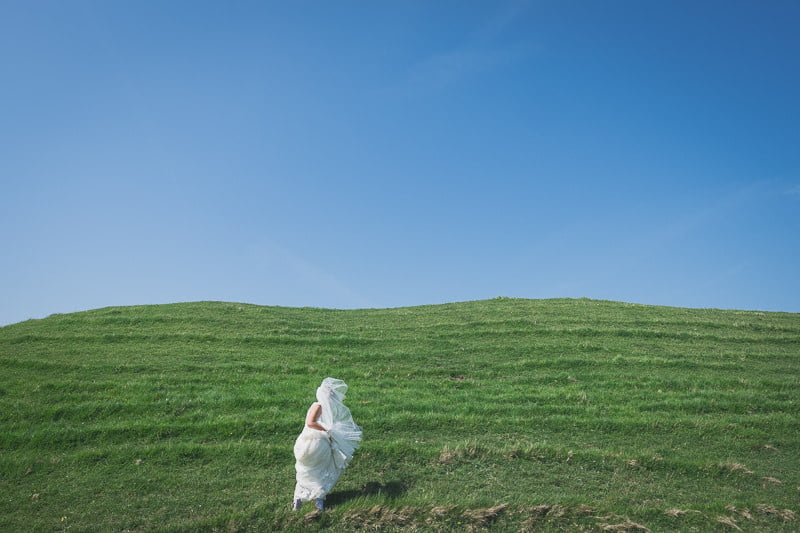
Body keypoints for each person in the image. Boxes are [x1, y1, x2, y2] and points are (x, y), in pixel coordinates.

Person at [292, 377, 362, 511]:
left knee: (308, 471)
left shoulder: (318, 405)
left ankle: (298, 500)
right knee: (319, 471)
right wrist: (328, 431)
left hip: (309, 442)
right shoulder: (319, 406)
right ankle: (318, 503)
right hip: (316, 442)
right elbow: (311, 423)